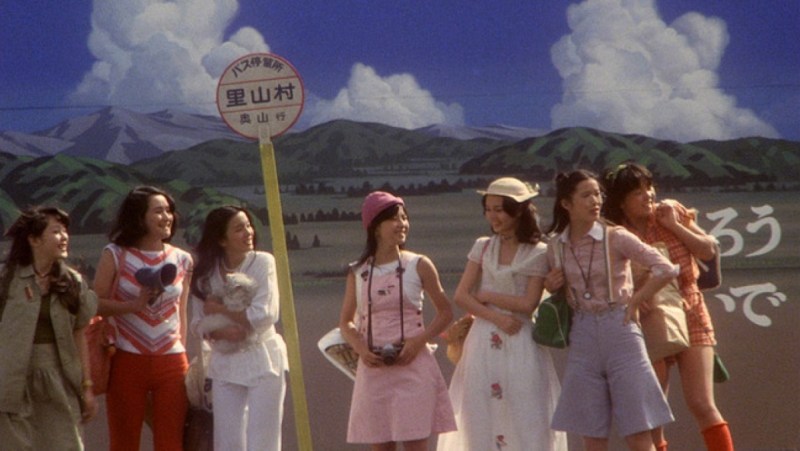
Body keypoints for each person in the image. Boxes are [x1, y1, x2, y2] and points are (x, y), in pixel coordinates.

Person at [533, 170, 678, 451]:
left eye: (598, 194)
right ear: (566, 204)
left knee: (638, 430)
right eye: (586, 195)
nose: (595, 201)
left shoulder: (616, 237)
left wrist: (636, 299)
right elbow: (551, 292)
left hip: (620, 331)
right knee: (592, 434)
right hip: (582, 335)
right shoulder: (556, 246)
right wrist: (553, 286)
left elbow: (666, 268)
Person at [602, 162, 734, 451]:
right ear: (621, 202)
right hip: (647, 319)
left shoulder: (669, 211)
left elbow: (707, 250)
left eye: (649, 187)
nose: (648, 195)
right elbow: (607, 282)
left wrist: (673, 225)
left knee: (701, 402)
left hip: (690, 309)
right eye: (637, 192)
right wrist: (636, 296)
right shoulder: (614, 233)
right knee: (653, 406)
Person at [437, 177, 567, 451]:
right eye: (488, 209)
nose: (492, 216)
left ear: (518, 210)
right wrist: (495, 317)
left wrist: (486, 296)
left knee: (525, 413)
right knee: (480, 415)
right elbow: (461, 295)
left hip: (520, 341)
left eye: (499, 209)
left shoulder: (538, 251)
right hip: (483, 341)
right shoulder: (483, 246)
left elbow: (528, 303)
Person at [338, 191, 456, 451]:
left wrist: (418, 342)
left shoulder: (419, 264)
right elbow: (346, 322)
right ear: (375, 226)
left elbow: (446, 312)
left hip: (413, 365)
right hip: (374, 368)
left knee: (416, 443)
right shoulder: (358, 271)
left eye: (404, 217)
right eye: (393, 218)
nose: (402, 224)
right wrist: (361, 349)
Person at [94, 186, 193, 451]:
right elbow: (93, 304)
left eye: (169, 211)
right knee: (124, 442)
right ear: (139, 217)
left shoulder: (182, 259)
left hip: (172, 361)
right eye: (158, 211)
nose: (167, 217)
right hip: (127, 358)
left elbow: (181, 312)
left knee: (171, 442)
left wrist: (183, 349)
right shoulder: (115, 254)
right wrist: (132, 305)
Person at [189, 206, 288, 451]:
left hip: (263, 359)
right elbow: (197, 323)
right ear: (221, 239)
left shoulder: (263, 262)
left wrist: (221, 310)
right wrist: (223, 332)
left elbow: (265, 314)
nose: (248, 232)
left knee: (263, 441)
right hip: (224, 361)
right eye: (239, 228)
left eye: (249, 226)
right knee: (228, 442)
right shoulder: (206, 274)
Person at [0, 206, 98, 450]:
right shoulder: (6, 279)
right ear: (34, 240)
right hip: (12, 382)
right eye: (56, 231)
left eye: (65, 231)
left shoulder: (72, 282)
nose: (64, 237)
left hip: (58, 379)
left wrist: (87, 388)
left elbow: (80, 336)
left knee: (65, 444)